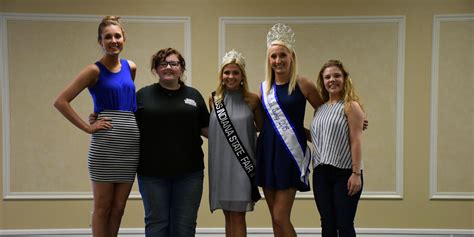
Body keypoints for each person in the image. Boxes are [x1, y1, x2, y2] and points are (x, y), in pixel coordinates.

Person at [54, 16, 139, 237]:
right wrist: (88, 127)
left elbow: (128, 103)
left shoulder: (131, 67)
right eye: (107, 37)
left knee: (119, 208)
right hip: (105, 147)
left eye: (117, 36)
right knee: (103, 207)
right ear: (100, 41)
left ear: (124, 39)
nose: (113, 40)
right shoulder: (94, 70)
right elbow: (61, 101)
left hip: (130, 148)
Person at [256, 23, 323, 237]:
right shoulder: (264, 88)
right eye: (273, 56)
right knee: (274, 221)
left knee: (280, 217)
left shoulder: (303, 84)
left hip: (289, 155)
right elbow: (261, 122)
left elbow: (325, 114)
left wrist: (353, 115)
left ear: (291, 56)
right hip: (267, 153)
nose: (278, 61)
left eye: (282, 55)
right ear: (269, 60)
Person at [135, 47, 210, 237]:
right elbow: (126, 125)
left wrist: (241, 129)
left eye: (174, 63)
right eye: (163, 64)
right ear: (156, 69)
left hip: (189, 175)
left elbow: (208, 129)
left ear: (181, 69)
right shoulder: (142, 96)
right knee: (157, 225)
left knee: (184, 227)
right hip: (152, 174)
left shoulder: (194, 96)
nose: (168, 67)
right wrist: (99, 118)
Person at [208, 49, 263, 237]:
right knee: (228, 215)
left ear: (242, 76)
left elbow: (262, 128)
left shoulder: (253, 99)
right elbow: (216, 130)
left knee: (238, 215)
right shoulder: (214, 99)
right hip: (221, 164)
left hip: (243, 164)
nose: (230, 76)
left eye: (235, 72)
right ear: (221, 75)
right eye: (227, 72)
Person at [310, 59, 365, 236]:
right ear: (323, 81)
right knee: (327, 224)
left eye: (336, 76)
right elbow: (321, 138)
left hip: (345, 173)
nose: (332, 80)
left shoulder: (351, 106)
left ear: (344, 78)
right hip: (320, 173)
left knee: (344, 224)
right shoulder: (320, 109)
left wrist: (356, 174)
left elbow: (356, 140)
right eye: (327, 77)